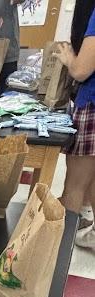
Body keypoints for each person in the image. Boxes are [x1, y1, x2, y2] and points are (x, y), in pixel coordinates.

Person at [57, 0, 95, 250]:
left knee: (75, 185)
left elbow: (81, 70)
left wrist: (69, 58)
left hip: (91, 103)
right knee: (91, 180)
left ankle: (60, 248)